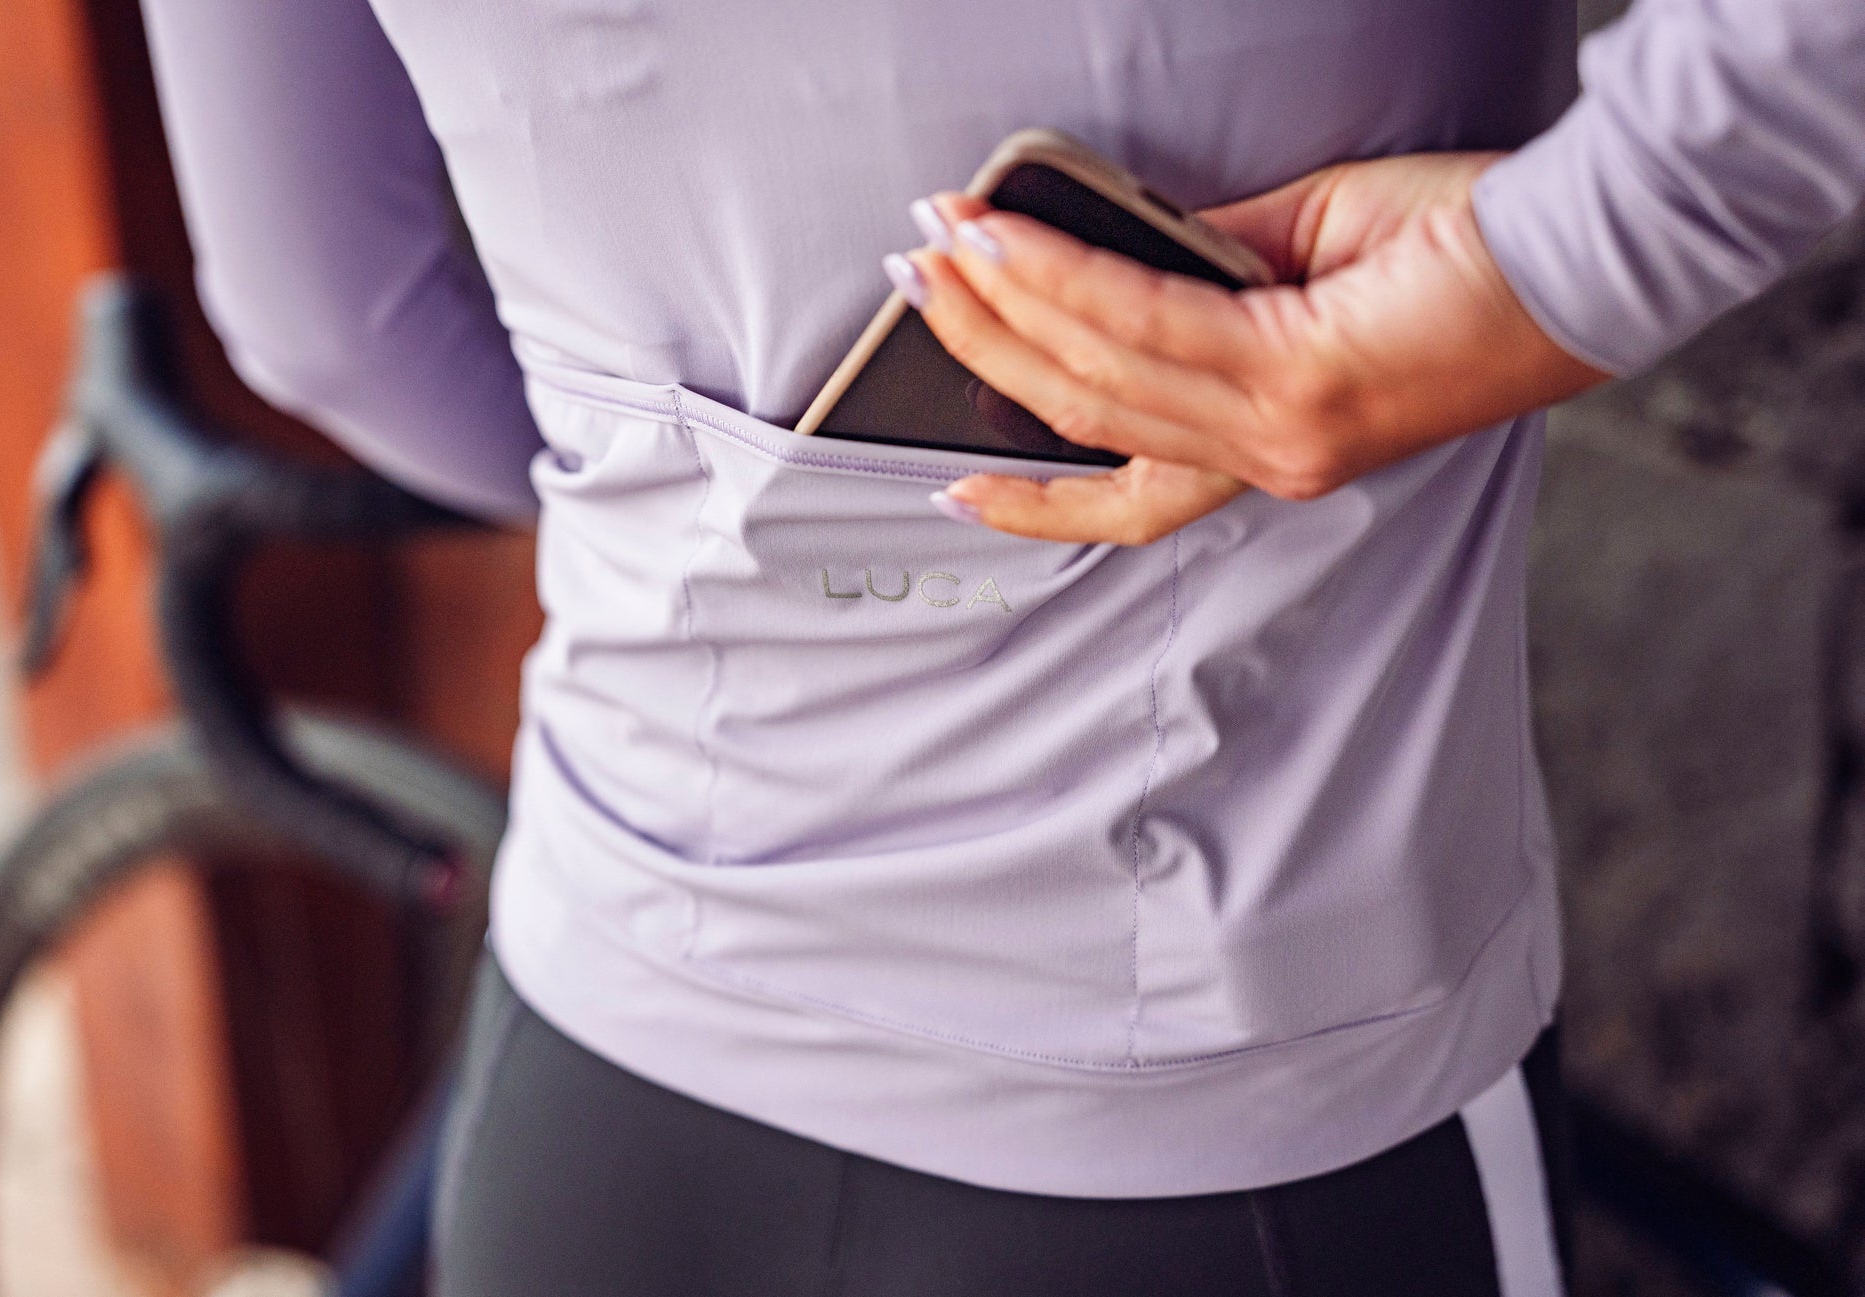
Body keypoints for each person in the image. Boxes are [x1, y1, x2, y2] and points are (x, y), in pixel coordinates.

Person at [133, 0, 1864, 1289]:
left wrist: (765, 533)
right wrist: (1513, 285)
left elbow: (318, 317)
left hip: (610, 1072)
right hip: (1246, 1132)